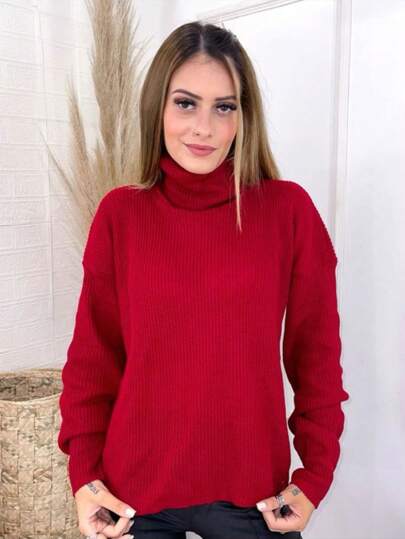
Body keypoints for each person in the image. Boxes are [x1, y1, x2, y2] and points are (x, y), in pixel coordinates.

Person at [57, 21, 350, 539]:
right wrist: (84, 476)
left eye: (224, 107)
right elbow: (92, 360)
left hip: (254, 498)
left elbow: (316, 358)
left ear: (244, 115)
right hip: (131, 497)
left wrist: (315, 477)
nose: (204, 128)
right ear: (158, 107)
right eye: (186, 103)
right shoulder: (120, 215)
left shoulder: (287, 212)